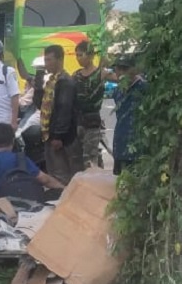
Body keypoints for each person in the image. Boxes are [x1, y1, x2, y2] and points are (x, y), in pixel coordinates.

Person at [0, 122, 64, 198]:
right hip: (24, 205)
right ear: (13, 141)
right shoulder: (19, 159)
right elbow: (45, 180)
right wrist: (65, 189)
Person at [39, 44, 81, 185]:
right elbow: (43, 105)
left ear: (60, 60)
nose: (46, 63)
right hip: (49, 134)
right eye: (45, 60)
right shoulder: (52, 81)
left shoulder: (65, 82)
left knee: (61, 174)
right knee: (53, 172)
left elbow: (64, 110)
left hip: (61, 138)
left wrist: (58, 136)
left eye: (49, 60)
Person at [111, 53, 147, 175]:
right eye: (118, 68)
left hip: (138, 145)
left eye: (124, 69)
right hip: (120, 143)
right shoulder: (117, 91)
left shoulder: (143, 88)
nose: (121, 72)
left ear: (134, 69)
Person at [73, 40, 107, 169]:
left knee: (90, 157)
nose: (78, 58)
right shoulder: (76, 75)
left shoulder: (100, 73)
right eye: (77, 55)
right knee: (80, 157)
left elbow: (121, 79)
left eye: (81, 55)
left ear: (91, 56)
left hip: (92, 121)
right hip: (78, 121)